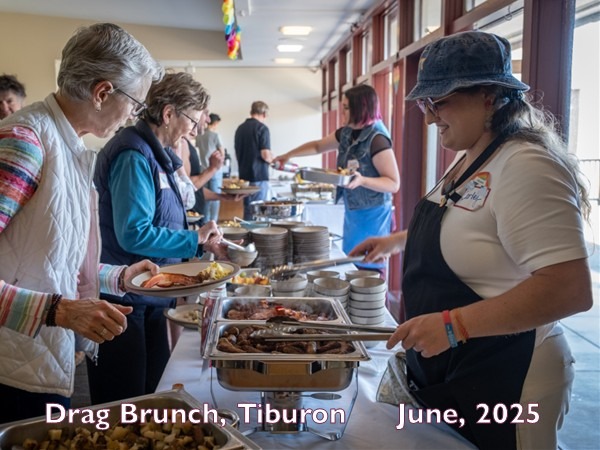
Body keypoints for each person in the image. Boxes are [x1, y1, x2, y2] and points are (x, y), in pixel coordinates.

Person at [350, 31, 593, 449]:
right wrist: (398, 241)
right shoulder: (473, 155)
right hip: (462, 368)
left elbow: (569, 289)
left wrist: (453, 325)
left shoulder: (526, 165)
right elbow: (473, 227)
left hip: (512, 374)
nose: (430, 117)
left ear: (489, 96)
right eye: (425, 104)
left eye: (439, 102)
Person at [0, 23, 163, 424]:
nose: (134, 116)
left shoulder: (67, 142)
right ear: (103, 92)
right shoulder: (25, 141)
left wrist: (119, 277)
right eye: (136, 103)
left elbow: (47, 258)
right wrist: (60, 312)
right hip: (11, 368)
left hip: (36, 355)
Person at [90, 72, 226, 405]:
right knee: (125, 401)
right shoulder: (133, 155)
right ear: (167, 114)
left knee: (153, 390)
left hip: (148, 292)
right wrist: (193, 239)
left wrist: (196, 239)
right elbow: (133, 233)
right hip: (123, 296)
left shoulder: (157, 153)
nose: (195, 130)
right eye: (192, 120)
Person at [274, 84, 400, 270]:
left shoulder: (377, 139)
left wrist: (363, 180)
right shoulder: (346, 132)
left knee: (369, 264)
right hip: (353, 210)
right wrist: (288, 155)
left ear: (360, 109)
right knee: (351, 260)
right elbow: (318, 146)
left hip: (373, 214)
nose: (342, 112)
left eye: (346, 108)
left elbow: (393, 183)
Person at [235, 101, 274, 220]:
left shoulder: (240, 129)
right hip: (259, 176)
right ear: (264, 114)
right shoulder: (262, 128)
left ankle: (247, 231)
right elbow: (265, 155)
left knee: (248, 211)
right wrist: (273, 160)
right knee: (258, 213)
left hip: (244, 176)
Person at [196, 113, 225, 222]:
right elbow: (222, 153)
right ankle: (214, 222)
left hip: (203, 170)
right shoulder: (215, 135)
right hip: (215, 170)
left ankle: (205, 222)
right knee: (215, 197)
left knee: (205, 198)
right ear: (216, 123)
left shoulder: (199, 136)